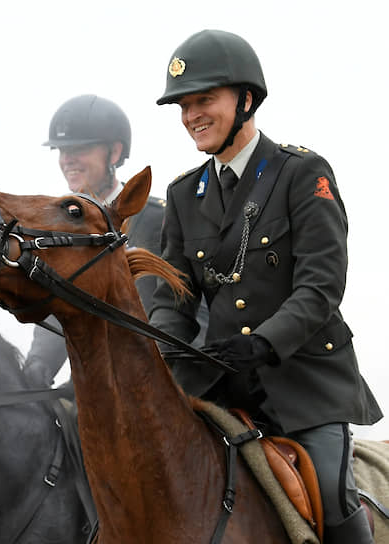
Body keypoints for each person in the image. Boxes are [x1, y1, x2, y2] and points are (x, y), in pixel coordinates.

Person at [149, 29, 382, 543]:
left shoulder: (302, 173)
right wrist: (163, 350)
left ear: (246, 98)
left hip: (304, 384)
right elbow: (174, 300)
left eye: (204, 100)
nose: (191, 116)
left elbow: (321, 287)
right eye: (183, 106)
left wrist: (264, 343)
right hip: (221, 384)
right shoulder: (184, 195)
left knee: (328, 490)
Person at [23, 94, 206, 387]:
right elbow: (57, 310)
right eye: (61, 150)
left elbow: (192, 303)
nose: (67, 159)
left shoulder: (161, 220)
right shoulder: (62, 235)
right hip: (97, 383)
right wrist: (38, 364)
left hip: (166, 381)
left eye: (78, 148)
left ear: (114, 152)